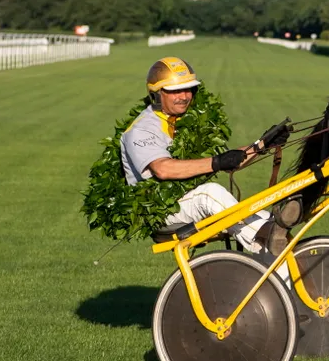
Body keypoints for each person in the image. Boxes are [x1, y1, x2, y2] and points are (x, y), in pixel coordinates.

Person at [120, 56, 291, 255]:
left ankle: (282, 273)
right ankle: (266, 234)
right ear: (157, 94)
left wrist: (262, 145)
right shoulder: (141, 129)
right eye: (175, 91)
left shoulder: (186, 120)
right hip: (159, 211)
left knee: (263, 218)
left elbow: (229, 161)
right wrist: (217, 162)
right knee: (209, 194)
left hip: (186, 201)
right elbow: (163, 169)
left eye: (188, 89)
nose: (184, 96)